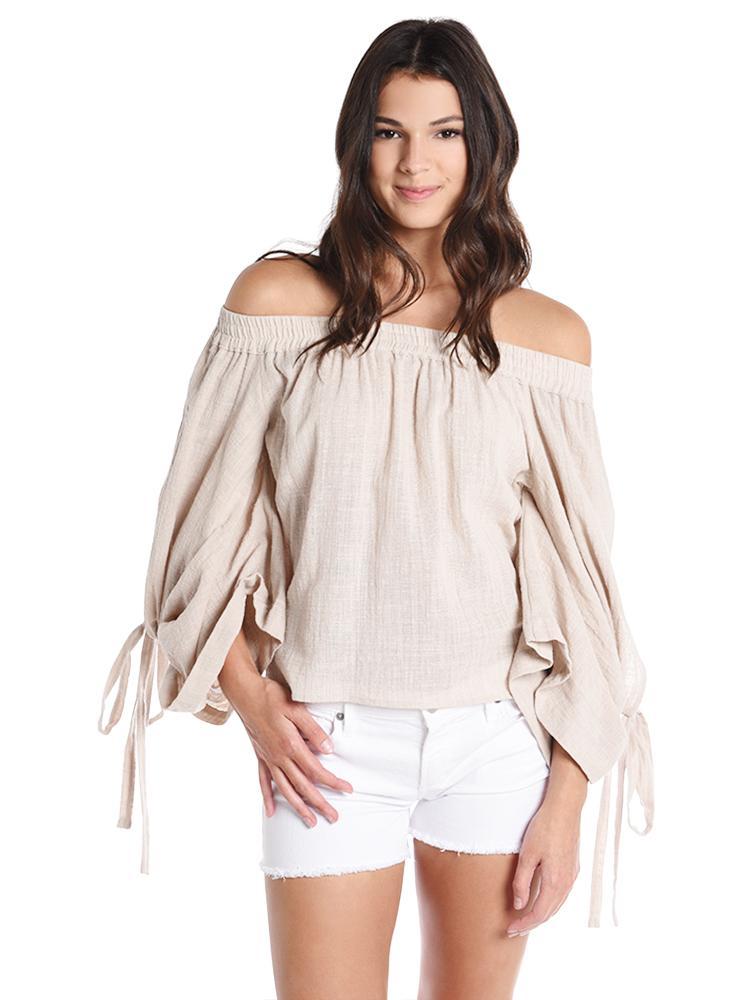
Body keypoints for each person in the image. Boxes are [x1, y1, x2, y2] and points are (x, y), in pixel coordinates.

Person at [97, 18, 654, 1000]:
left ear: (485, 145)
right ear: (357, 142)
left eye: (445, 132)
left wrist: (566, 801)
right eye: (390, 132)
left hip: (497, 738)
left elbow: (584, 592)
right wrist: (255, 703)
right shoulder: (277, 305)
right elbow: (197, 537)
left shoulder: (546, 340)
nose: (414, 162)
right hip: (329, 738)